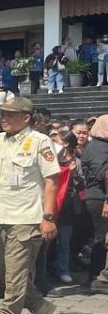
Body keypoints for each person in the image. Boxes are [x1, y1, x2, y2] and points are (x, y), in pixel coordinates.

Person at [0, 96, 61, 314]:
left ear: (26, 117)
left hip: (28, 218)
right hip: (1, 217)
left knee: (15, 274)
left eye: (10, 115)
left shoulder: (39, 141)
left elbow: (51, 181)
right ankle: (39, 305)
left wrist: (48, 217)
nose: (4, 118)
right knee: (6, 273)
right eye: (3, 114)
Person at [53, 131, 84, 285]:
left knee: (64, 241)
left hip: (68, 206)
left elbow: (82, 186)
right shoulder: (50, 160)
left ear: (65, 144)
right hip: (51, 205)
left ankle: (63, 270)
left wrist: (73, 175)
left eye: (57, 140)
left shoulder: (76, 162)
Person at [83, 115, 108, 292]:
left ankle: (96, 275)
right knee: (101, 237)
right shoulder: (99, 147)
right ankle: (98, 277)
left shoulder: (99, 146)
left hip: (99, 195)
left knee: (101, 236)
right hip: (99, 197)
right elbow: (104, 173)